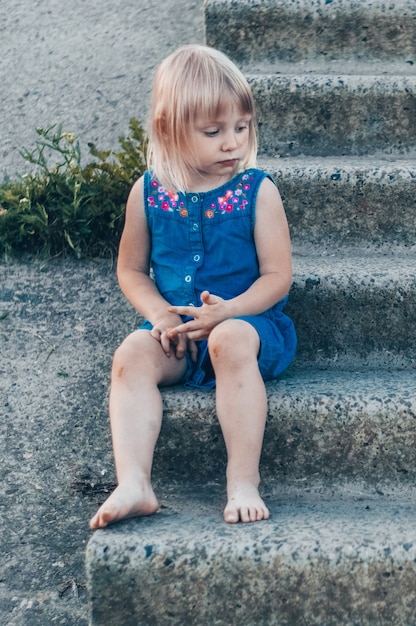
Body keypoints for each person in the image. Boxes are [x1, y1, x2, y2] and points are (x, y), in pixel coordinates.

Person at [89, 44, 296, 529]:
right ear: (169, 130)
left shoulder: (257, 191)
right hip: (178, 331)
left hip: (250, 326)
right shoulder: (148, 191)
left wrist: (229, 312)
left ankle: (242, 479)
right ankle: (134, 482)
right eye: (214, 131)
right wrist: (161, 314)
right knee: (131, 356)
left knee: (228, 340)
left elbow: (277, 277)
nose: (233, 144)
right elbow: (131, 271)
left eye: (242, 128)